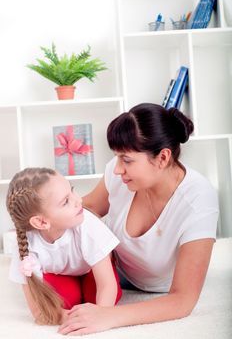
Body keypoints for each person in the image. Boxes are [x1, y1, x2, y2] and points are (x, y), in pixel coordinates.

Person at [59, 103, 219, 336]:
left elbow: (183, 300)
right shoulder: (121, 176)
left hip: (156, 288)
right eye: (116, 158)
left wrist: (109, 316)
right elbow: (89, 208)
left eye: (127, 160)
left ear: (162, 157)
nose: (117, 169)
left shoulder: (198, 199)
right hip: (110, 271)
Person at [6, 167, 122, 326]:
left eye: (72, 190)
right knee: (60, 303)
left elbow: (107, 285)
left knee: (103, 298)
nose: (79, 200)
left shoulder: (87, 224)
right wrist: (64, 317)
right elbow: (38, 310)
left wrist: (98, 318)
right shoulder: (25, 244)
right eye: (66, 201)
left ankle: (84, 290)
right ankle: (75, 291)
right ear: (41, 222)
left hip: (92, 271)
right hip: (62, 273)